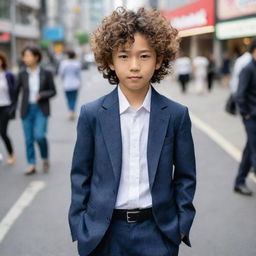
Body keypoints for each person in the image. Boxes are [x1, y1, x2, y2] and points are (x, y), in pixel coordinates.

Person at [69, 7, 196, 256]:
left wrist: (181, 226)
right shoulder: (92, 113)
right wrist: (80, 225)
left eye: (145, 56)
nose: (134, 66)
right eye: (124, 56)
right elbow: (80, 175)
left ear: (159, 59)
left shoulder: (176, 115)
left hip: (158, 232)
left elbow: (185, 176)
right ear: (110, 61)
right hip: (103, 233)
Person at [15, 46, 56, 175]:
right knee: (28, 139)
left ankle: (45, 157)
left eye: (28, 55)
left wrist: (42, 95)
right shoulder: (22, 74)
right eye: (24, 56)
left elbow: (53, 91)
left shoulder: (46, 73)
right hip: (26, 109)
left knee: (39, 136)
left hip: (41, 109)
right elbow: (15, 92)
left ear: (36, 57)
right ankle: (31, 163)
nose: (25, 58)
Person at [234, 38, 256, 196]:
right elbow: (240, 94)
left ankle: (239, 182)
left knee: (250, 149)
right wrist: (246, 114)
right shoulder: (248, 68)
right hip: (251, 117)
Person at [0, 52, 15, 165]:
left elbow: (14, 92)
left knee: (3, 132)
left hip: (5, 107)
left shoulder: (8, 75)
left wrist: (13, 107)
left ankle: (10, 153)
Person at [58, 50, 81, 120]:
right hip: (75, 84)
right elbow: (79, 75)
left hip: (66, 84)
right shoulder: (77, 63)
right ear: (74, 56)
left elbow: (61, 74)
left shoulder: (64, 63)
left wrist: (63, 80)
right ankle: (72, 111)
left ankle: (70, 111)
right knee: (74, 99)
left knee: (68, 99)